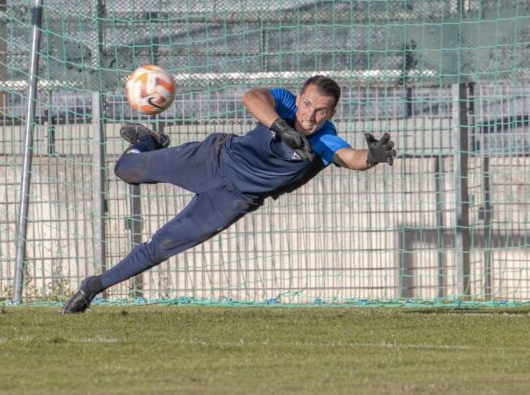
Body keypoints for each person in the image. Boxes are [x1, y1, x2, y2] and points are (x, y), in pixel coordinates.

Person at [62, 75, 396, 314]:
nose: (310, 115)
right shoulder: (282, 101)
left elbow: (351, 157)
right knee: (125, 171)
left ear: (331, 115)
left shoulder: (324, 140)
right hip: (213, 159)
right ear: (298, 98)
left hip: (231, 200)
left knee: (161, 246)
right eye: (307, 104)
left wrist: (373, 157)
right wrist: (281, 127)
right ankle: (148, 142)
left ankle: (92, 288)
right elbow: (252, 97)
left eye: (321, 111)